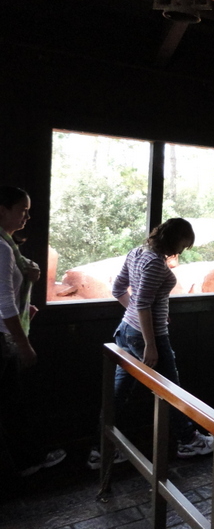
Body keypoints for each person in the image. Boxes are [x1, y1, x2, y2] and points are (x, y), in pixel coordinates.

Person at [98, 218, 214, 469]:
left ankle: (103, 449)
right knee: (171, 389)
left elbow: (119, 290)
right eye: (184, 244)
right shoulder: (154, 263)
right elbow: (141, 303)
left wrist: (144, 316)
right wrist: (150, 343)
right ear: (174, 238)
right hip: (148, 337)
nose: (182, 250)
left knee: (118, 393)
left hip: (126, 331)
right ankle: (188, 441)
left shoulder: (137, 253)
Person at [0, 186, 66, 480]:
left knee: (11, 403)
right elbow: (4, 302)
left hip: (5, 334)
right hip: (3, 338)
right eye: (22, 210)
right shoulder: (3, 248)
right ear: (2, 210)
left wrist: (25, 307)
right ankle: (26, 461)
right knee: (11, 404)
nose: (27, 217)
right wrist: (23, 343)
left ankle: (26, 460)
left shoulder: (9, 247)